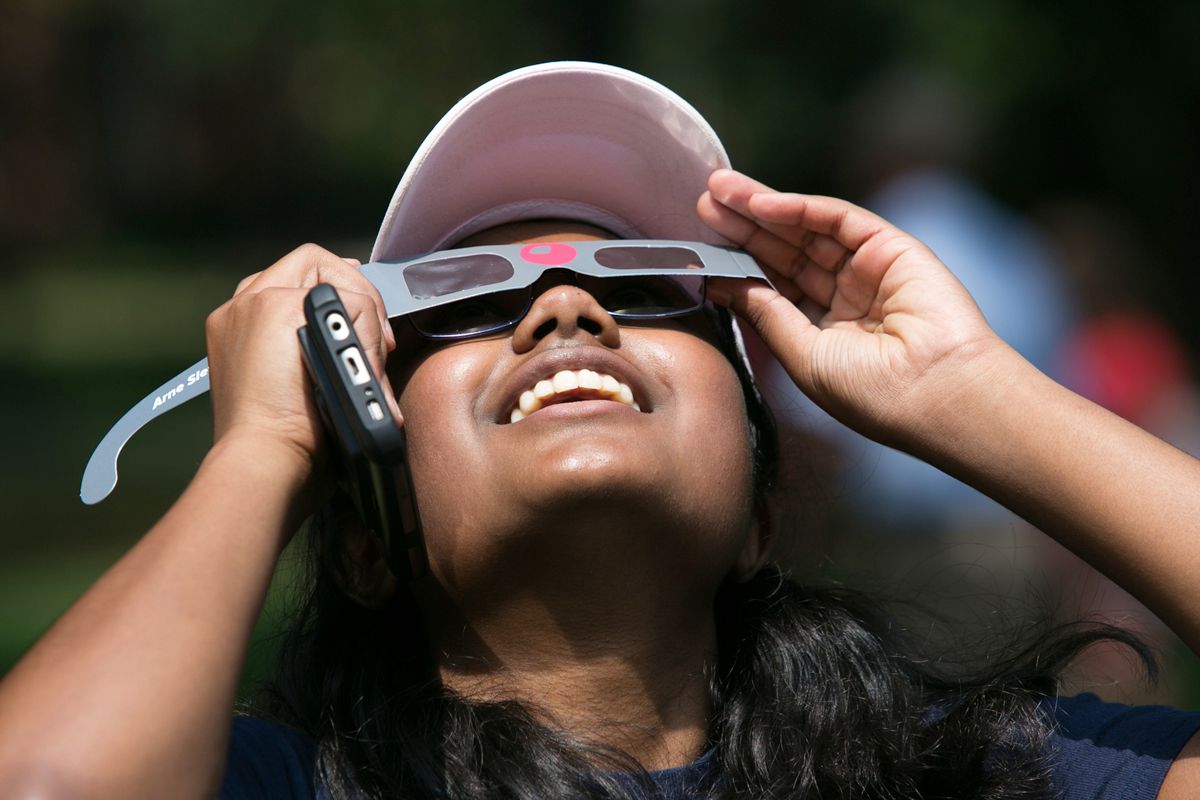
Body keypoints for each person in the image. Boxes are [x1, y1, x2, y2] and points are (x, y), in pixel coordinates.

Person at [1, 62, 1198, 800]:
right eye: (463, 300)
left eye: (644, 285)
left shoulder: (973, 777)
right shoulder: (290, 785)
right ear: (367, 536)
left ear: (760, 516)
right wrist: (261, 448)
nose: (566, 306)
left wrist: (970, 394)